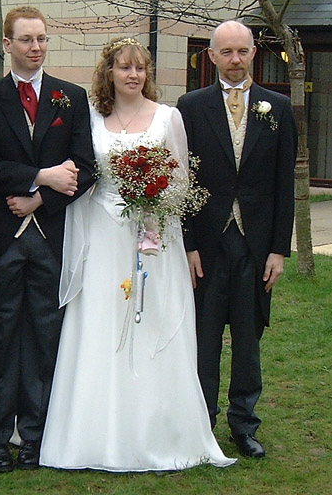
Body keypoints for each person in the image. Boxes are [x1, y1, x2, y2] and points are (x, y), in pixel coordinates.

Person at [39, 37, 236, 472]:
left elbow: (181, 180)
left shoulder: (168, 117)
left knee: (152, 323)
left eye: (140, 68)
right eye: (125, 67)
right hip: (103, 234)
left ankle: (158, 430)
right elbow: (83, 172)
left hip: (153, 237)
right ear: (109, 72)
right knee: (102, 323)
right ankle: (95, 432)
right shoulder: (92, 117)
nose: (133, 75)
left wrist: (153, 205)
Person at [0, 6, 96, 472]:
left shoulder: (71, 97)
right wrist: (40, 175)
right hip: (3, 237)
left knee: (45, 337)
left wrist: (40, 199)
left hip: (51, 235)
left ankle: (36, 437)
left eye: (41, 38)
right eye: (26, 39)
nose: (36, 47)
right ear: (7, 45)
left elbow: (86, 167)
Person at [177, 20, 297, 458]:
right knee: (204, 338)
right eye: (226, 52)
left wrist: (279, 249)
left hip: (256, 243)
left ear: (253, 53)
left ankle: (244, 424)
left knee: (248, 340)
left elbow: (284, 183)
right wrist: (188, 244)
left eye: (242, 51)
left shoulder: (277, 107)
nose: (235, 59)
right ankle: (202, 422)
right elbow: (182, 179)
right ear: (211, 56)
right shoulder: (190, 106)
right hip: (208, 243)